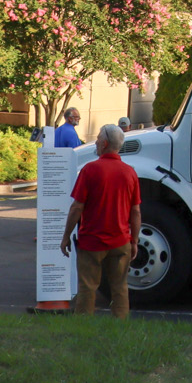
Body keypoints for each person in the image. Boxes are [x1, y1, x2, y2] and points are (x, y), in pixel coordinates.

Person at [62, 123, 140, 318]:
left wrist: (65, 236)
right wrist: (135, 241)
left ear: (104, 143)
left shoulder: (90, 170)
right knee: (120, 286)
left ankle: (84, 326)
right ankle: (120, 326)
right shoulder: (130, 172)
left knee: (88, 286)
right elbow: (135, 211)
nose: (95, 142)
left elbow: (77, 207)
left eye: (97, 139)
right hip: (121, 241)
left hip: (92, 242)